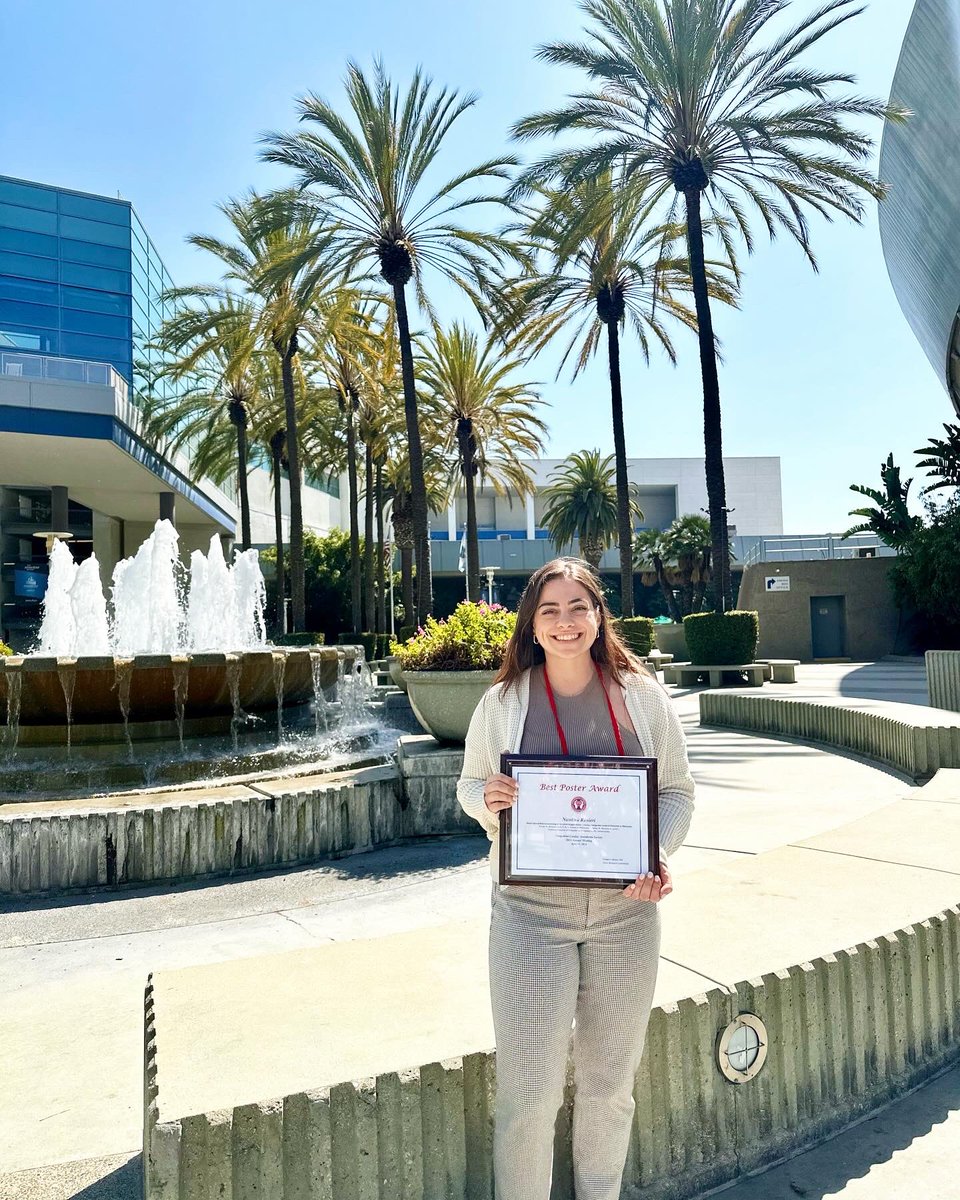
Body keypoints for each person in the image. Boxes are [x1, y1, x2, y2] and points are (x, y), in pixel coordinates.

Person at [456, 557, 695, 1200]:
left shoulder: (641, 695)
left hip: (627, 915)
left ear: (598, 617)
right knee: (530, 1089)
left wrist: (657, 853)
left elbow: (675, 792)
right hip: (529, 916)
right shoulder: (503, 701)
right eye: (550, 609)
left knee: (610, 1087)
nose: (565, 622)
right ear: (532, 623)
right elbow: (468, 788)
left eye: (578, 607)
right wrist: (491, 798)